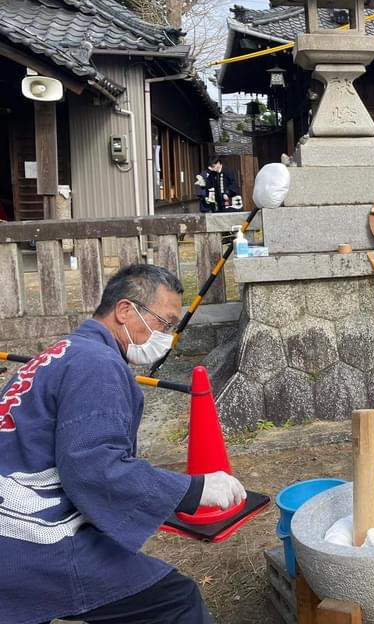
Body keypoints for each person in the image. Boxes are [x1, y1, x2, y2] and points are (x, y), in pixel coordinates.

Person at [0, 264, 246, 624]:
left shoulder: (55, 355)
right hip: (30, 538)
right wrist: (193, 490)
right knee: (175, 601)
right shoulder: (96, 363)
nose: (167, 335)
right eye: (165, 322)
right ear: (126, 310)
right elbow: (95, 467)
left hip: (15, 516)